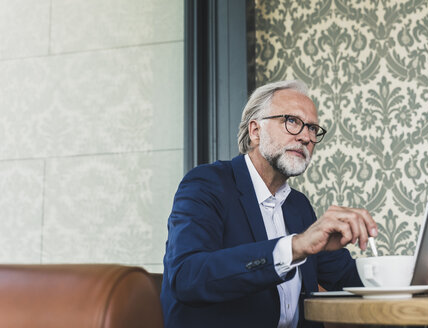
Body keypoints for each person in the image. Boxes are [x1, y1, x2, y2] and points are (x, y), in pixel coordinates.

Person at [160, 80, 378, 328]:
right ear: (255, 131)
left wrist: (419, 278)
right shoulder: (206, 184)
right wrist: (294, 247)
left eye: (313, 128)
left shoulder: (298, 205)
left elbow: (347, 277)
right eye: (292, 121)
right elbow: (188, 277)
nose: (306, 137)